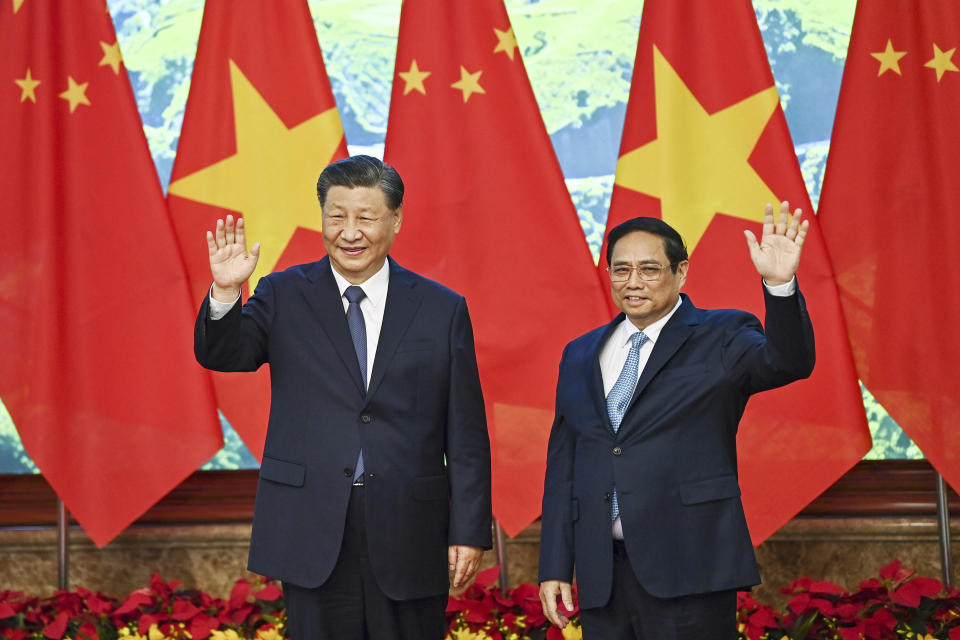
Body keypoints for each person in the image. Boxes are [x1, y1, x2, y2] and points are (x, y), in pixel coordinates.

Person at [194, 155, 492, 640]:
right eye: (337, 216)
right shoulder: (283, 293)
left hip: (409, 525)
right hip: (312, 522)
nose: (349, 232)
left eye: (365, 217)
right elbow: (227, 355)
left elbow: (466, 434)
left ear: (395, 220)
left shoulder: (441, 308)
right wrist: (227, 292)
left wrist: (469, 529)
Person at [538, 203, 814, 639]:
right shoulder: (579, 353)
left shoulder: (721, 334)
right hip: (601, 576)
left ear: (681, 272)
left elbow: (787, 362)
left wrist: (779, 286)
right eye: (621, 269)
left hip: (690, 568)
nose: (633, 282)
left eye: (649, 269)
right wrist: (554, 565)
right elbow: (564, 465)